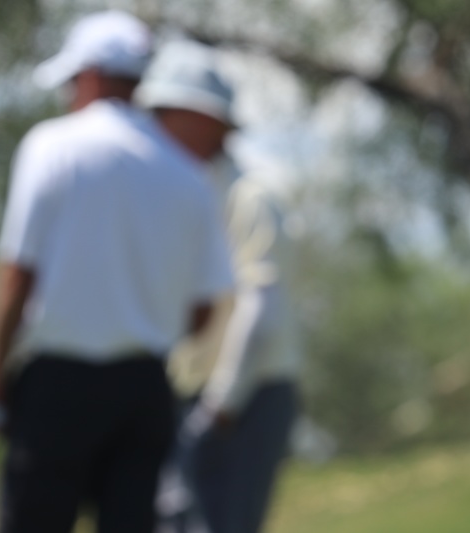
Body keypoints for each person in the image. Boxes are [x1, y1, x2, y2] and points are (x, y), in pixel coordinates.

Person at [0, 12, 234, 533]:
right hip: (145, 390)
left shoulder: (51, 146)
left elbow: (17, 275)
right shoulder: (188, 173)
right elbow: (203, 311)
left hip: (57, 386)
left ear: (89, 75)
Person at [135, 41, 304, 533]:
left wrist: (220, 405)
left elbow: (262, 309)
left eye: (167, 112)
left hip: (245, 396)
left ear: (207, 120)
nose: (156, 126)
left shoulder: (250, 197)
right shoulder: (185, 196)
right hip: (196, 396)